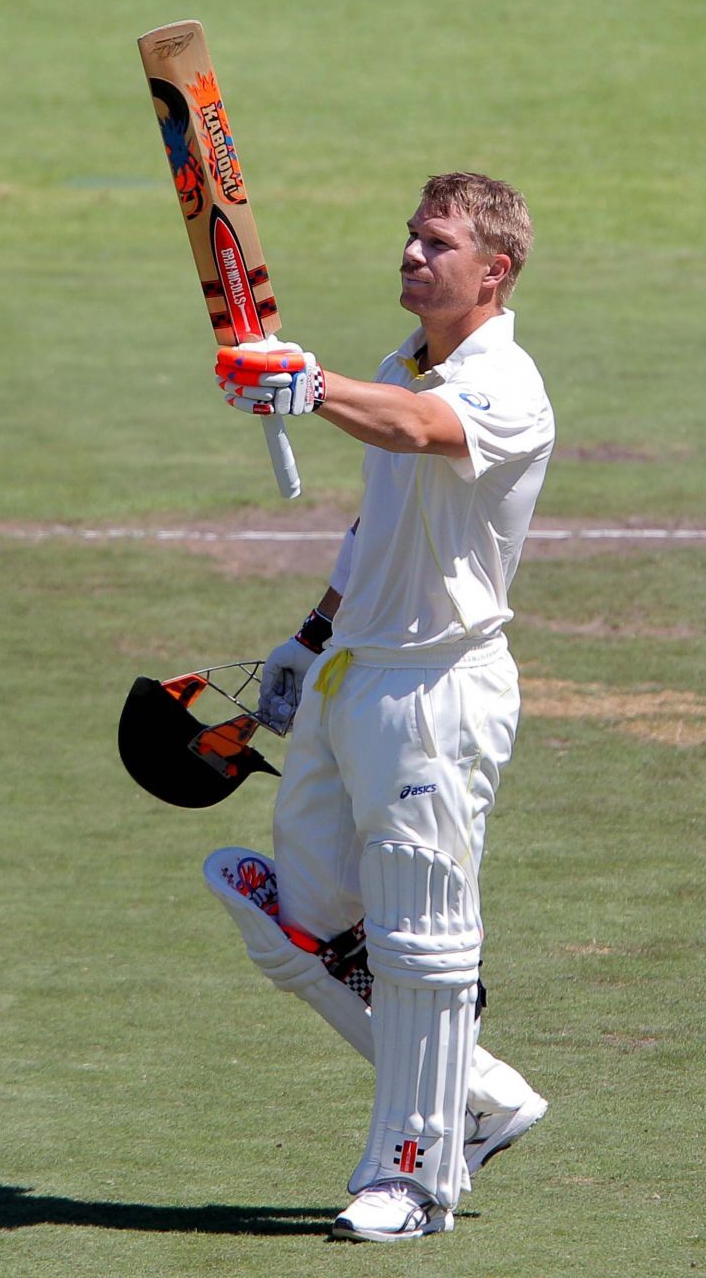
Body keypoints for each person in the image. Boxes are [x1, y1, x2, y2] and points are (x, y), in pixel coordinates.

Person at [203, 172, 555, 1243]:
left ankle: (413, 1174)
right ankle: (480, 1094)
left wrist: (311, 387)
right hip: (353, 677)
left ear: (492, 271)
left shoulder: (505, 385)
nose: (409, 254)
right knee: (284, 910)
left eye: (434, 242)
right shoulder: (408, 359)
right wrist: (306, 641)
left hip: (439, 692)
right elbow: (376, 530)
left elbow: (414, 431)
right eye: (408, 236)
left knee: (422, 941)